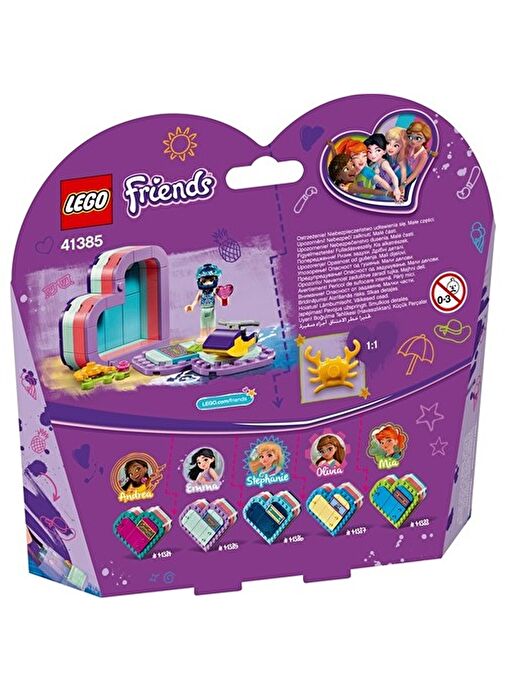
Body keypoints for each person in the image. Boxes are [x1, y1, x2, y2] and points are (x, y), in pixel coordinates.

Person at [184, 263, 226, 342]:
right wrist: (191, 306)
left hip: (211, 309)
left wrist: (223, 301)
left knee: (211, 323)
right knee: (203, 324)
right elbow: (196, 300)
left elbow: (219, 298)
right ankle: (203, 336)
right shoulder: (201, 292)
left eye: (211, 280)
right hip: (203, 309)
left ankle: (212, 336)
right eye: (204, 281)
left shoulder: (214, 291)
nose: (207, 283)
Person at [404, 120, 438, 187]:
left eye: (418, 138)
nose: (413, 141)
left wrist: (404, 184)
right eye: (410, 137)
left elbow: (416, 173)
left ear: (425, 139)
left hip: (409, 178)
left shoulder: (423, 155)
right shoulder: (408, 146)